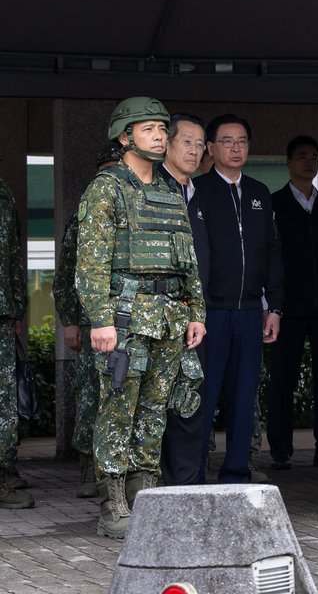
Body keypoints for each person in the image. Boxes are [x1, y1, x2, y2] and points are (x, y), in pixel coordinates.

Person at [75, 97, 206, 538]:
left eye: (162, 129)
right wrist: (101, 320)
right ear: (124, 136)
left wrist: (196, 313)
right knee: (117, 411)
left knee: (154, 413)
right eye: (149, 128)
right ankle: (112, 505)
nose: (159, 136)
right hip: (126, 320)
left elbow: (187, 260)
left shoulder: (170, 192)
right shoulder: (106, 188)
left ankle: (143, 496)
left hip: (168, 319)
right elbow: (90, 264)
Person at [191, 113, 283, 484]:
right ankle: (193, 472)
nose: (235, 148)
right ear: (210, 149)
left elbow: (273, 253)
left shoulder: (260, 193)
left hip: (250, 312)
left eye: (242, 141)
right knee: (204, 395)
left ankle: (236, 471)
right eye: (226, 141)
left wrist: (273, 307)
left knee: (245, 396)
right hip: (211, 312)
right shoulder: (198, 191)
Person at [268, 135, 318, 470]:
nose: (309, 162)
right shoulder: (274, 204)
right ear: (289, 162)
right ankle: (280, 450)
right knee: (282, 379)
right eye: (301, 156)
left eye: (314, 157)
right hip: (288, 307)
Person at [54, 142, 123, 499]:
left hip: (128, 317)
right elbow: (67, 271)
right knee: (89, 396)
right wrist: (69, 319)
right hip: (90, 320)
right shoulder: (86, 213)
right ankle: (89, 469)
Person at [157, 113, 211, 487]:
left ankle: (187, 487)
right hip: (154, 318)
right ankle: (145, 492)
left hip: (194, 320)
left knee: (190, 405)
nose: (194, 150)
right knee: (150, 410)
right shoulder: (147, 189)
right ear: (167, 143)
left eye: (199, 143)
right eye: (186, 142)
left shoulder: (201, 195)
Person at [0, 169, 30, 509]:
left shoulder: (4, 193)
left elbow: (13, 257)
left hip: (2, 311)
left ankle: (3, 473)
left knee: (4, 401)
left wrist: (18, 307)